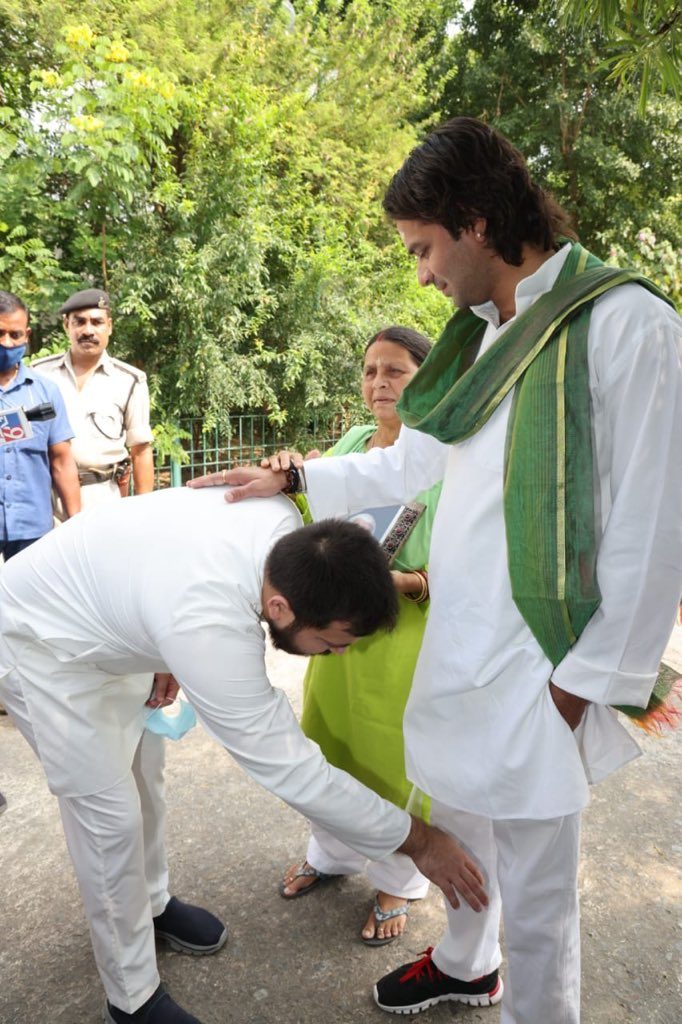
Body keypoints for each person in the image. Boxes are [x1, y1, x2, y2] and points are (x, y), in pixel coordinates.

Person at [189, 117, 682, 1023]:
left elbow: (656, 533)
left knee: (539, 902)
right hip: (462, 654)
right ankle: (464, 964)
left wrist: (579, 690)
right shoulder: (484, 337)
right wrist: (296, 474)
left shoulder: (626, 325)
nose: (419, 274)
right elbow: (412, 462)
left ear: (476, 221)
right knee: (466, 841)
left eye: (423, 248)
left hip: (544, 668)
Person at [0, 484, 489, 1024]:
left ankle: (153, 903)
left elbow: (161, 572)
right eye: (333, 643)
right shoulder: (205, 624)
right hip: (39, 643)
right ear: (278, 608)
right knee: (108, 818)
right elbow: (292, 769)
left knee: (144, 774)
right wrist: (418, 841)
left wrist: (163, 643)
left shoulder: (281, 524)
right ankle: (131, 998)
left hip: (115, 614)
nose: (340, 654)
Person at [277, 326, 442, 947]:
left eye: (395, 371)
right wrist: (291, 474)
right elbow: (310, 518)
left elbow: (463, 564)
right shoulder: (351, 442)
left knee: (391, 759)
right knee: (329, 743)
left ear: (427, 379)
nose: (379, 382)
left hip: (404, 638)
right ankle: (333, 852)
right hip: (337, 637)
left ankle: (401, 877)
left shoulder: (446, 456)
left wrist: (401, 581)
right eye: (371, 370)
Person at [33, 288, 154, 513]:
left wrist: (143, 512)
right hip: (47, 498)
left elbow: (141, 451)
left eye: (96, 322)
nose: (88, 330)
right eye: (79, 322)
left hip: (104, 498)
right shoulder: (40, 375)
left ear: (109, 326)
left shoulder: (129, 381)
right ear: (66, 325)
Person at [0, 290, 81, 558]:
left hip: (32, 528)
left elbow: (61, 461)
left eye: (15, 335)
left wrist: (77, 523)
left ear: (27, 335)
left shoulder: (45, 393)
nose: (7, 343)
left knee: (30, 600)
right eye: (0, 334)